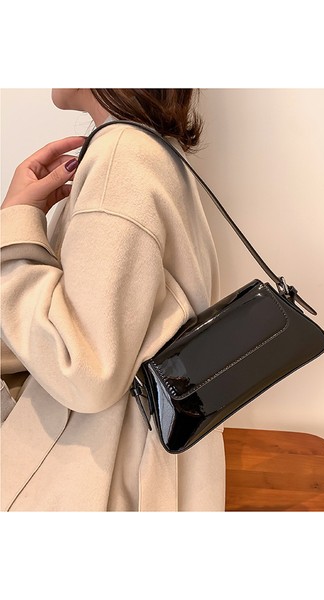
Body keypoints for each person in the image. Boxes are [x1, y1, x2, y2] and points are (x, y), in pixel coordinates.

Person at [0, 89, 226, 511]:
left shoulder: (122, 158)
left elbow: (85, 372)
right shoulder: (151, 150)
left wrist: (13, 226)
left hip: (91, 482)